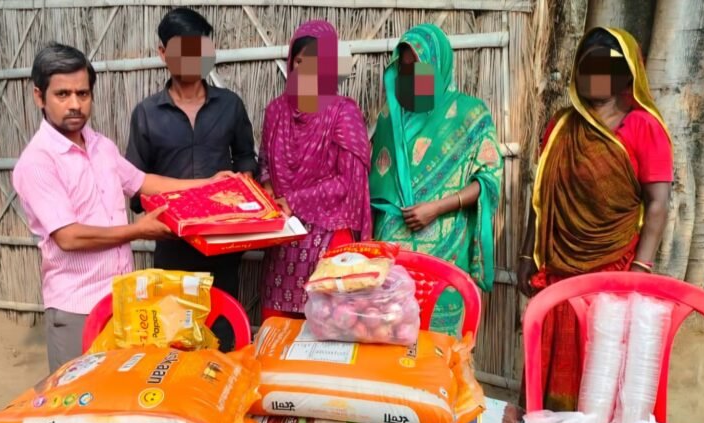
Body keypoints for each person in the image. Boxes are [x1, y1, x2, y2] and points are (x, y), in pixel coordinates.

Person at [12, 43, 228, 372]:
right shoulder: (37, 162)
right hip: (77, 308)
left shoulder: (101, 146)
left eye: (83, 94)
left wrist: (208, 184)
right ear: (39, 97)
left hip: (122, 302)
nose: (75, 104)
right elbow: (69, 237)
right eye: (63, 94)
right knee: (79, 394)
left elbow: (143, 182)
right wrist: (138, 230)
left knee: (118, 391)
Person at [518, 27, 673, 410]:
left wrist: (640, 269)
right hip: (557, 271)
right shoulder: (561, 126)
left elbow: (657, 203)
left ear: (627, 73)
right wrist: (526, 254)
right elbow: (542, 197)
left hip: (612, 272)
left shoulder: (644, 128)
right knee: (548, 369)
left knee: (600, 370)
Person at [126, 8, 258, 349]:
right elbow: (135, 185)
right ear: (162, 53)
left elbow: (246, 158)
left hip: (223, 245)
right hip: (172, 246)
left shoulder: (230, 105)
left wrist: (242, 188)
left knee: (223, 334)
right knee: (174, 339)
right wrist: (176, 209)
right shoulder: (146, 114)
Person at [369, 24, 503, 335]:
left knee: (440, 343)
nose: (412, 76)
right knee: (390, 339)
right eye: (405, 68)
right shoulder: (390, 117)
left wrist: (436, 208)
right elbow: (378, 184)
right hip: (393, 254)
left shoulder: (471, 115)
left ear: (438, 67)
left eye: (420, 68)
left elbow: (488, 180)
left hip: (447, 249)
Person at [258, 20, 372, 321]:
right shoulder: (276, 112)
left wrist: (293, 201)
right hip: (283, 239)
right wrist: (269, 193)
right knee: (277, 332)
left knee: (330, 330)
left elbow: (348, 184)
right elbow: (265, 163)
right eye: (300, 62)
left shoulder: (343, 113)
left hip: (329, 237)